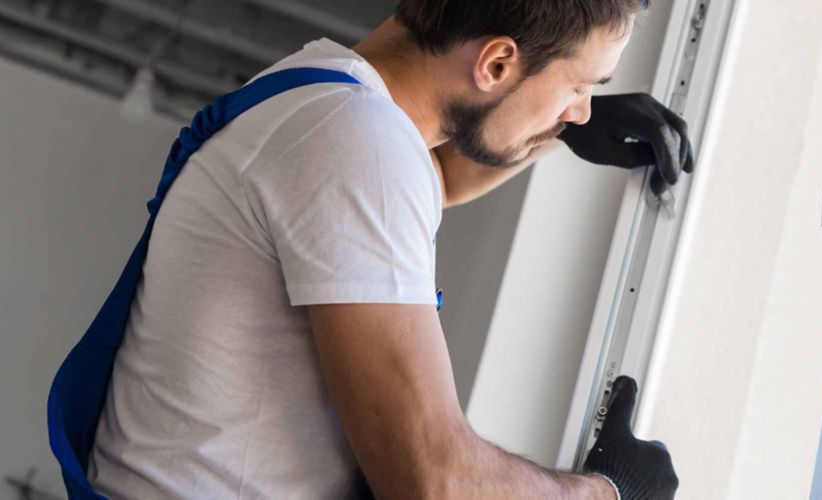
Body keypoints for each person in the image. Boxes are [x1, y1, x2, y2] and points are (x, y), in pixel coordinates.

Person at [85, 0, 691, 497]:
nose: (580, 110)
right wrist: (610, 492)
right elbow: (432, 481)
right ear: (498, 63)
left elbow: (437, 178)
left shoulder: (320, 89)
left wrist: (556, 128)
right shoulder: (357, 143)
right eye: (580, 86)